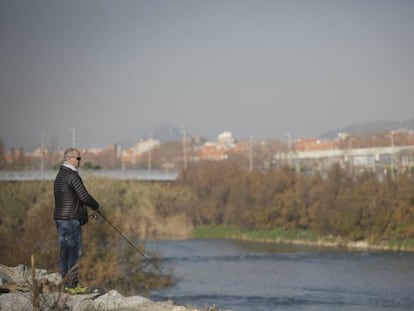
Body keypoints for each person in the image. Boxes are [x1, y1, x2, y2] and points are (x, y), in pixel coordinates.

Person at [54, 148, 99, 291]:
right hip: (71, 220)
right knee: (74, 252)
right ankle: (72, 285)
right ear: (69, 159)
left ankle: (65, 284)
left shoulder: (60, 175)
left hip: (61, 219)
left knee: (65, 252)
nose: (80, 162)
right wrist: (96, 206)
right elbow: (84, 196)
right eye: (78, 159)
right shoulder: (72, 175)